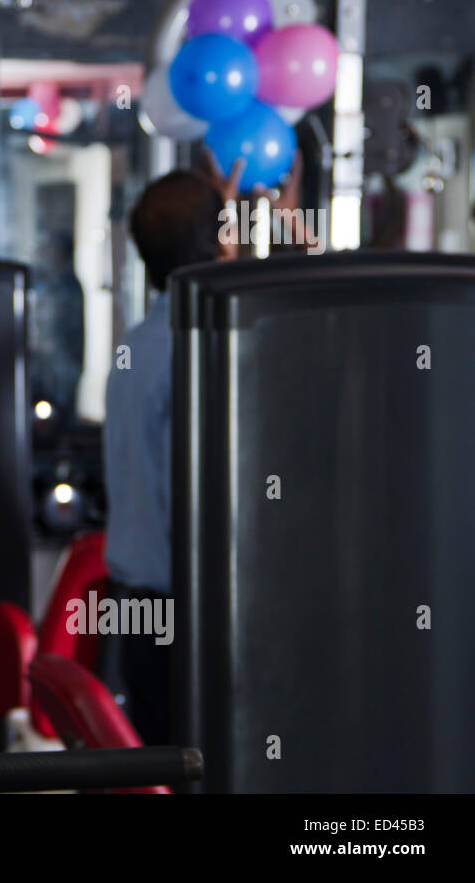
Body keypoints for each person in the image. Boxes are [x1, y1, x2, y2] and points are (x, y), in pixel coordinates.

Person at [99, 150, 311, 746]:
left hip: (141, 617)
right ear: (220, 240)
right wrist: (289, 235)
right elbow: (323, 341)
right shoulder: (205, 348)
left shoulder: (140, 346)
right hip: (194, 619)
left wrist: (215, 218)